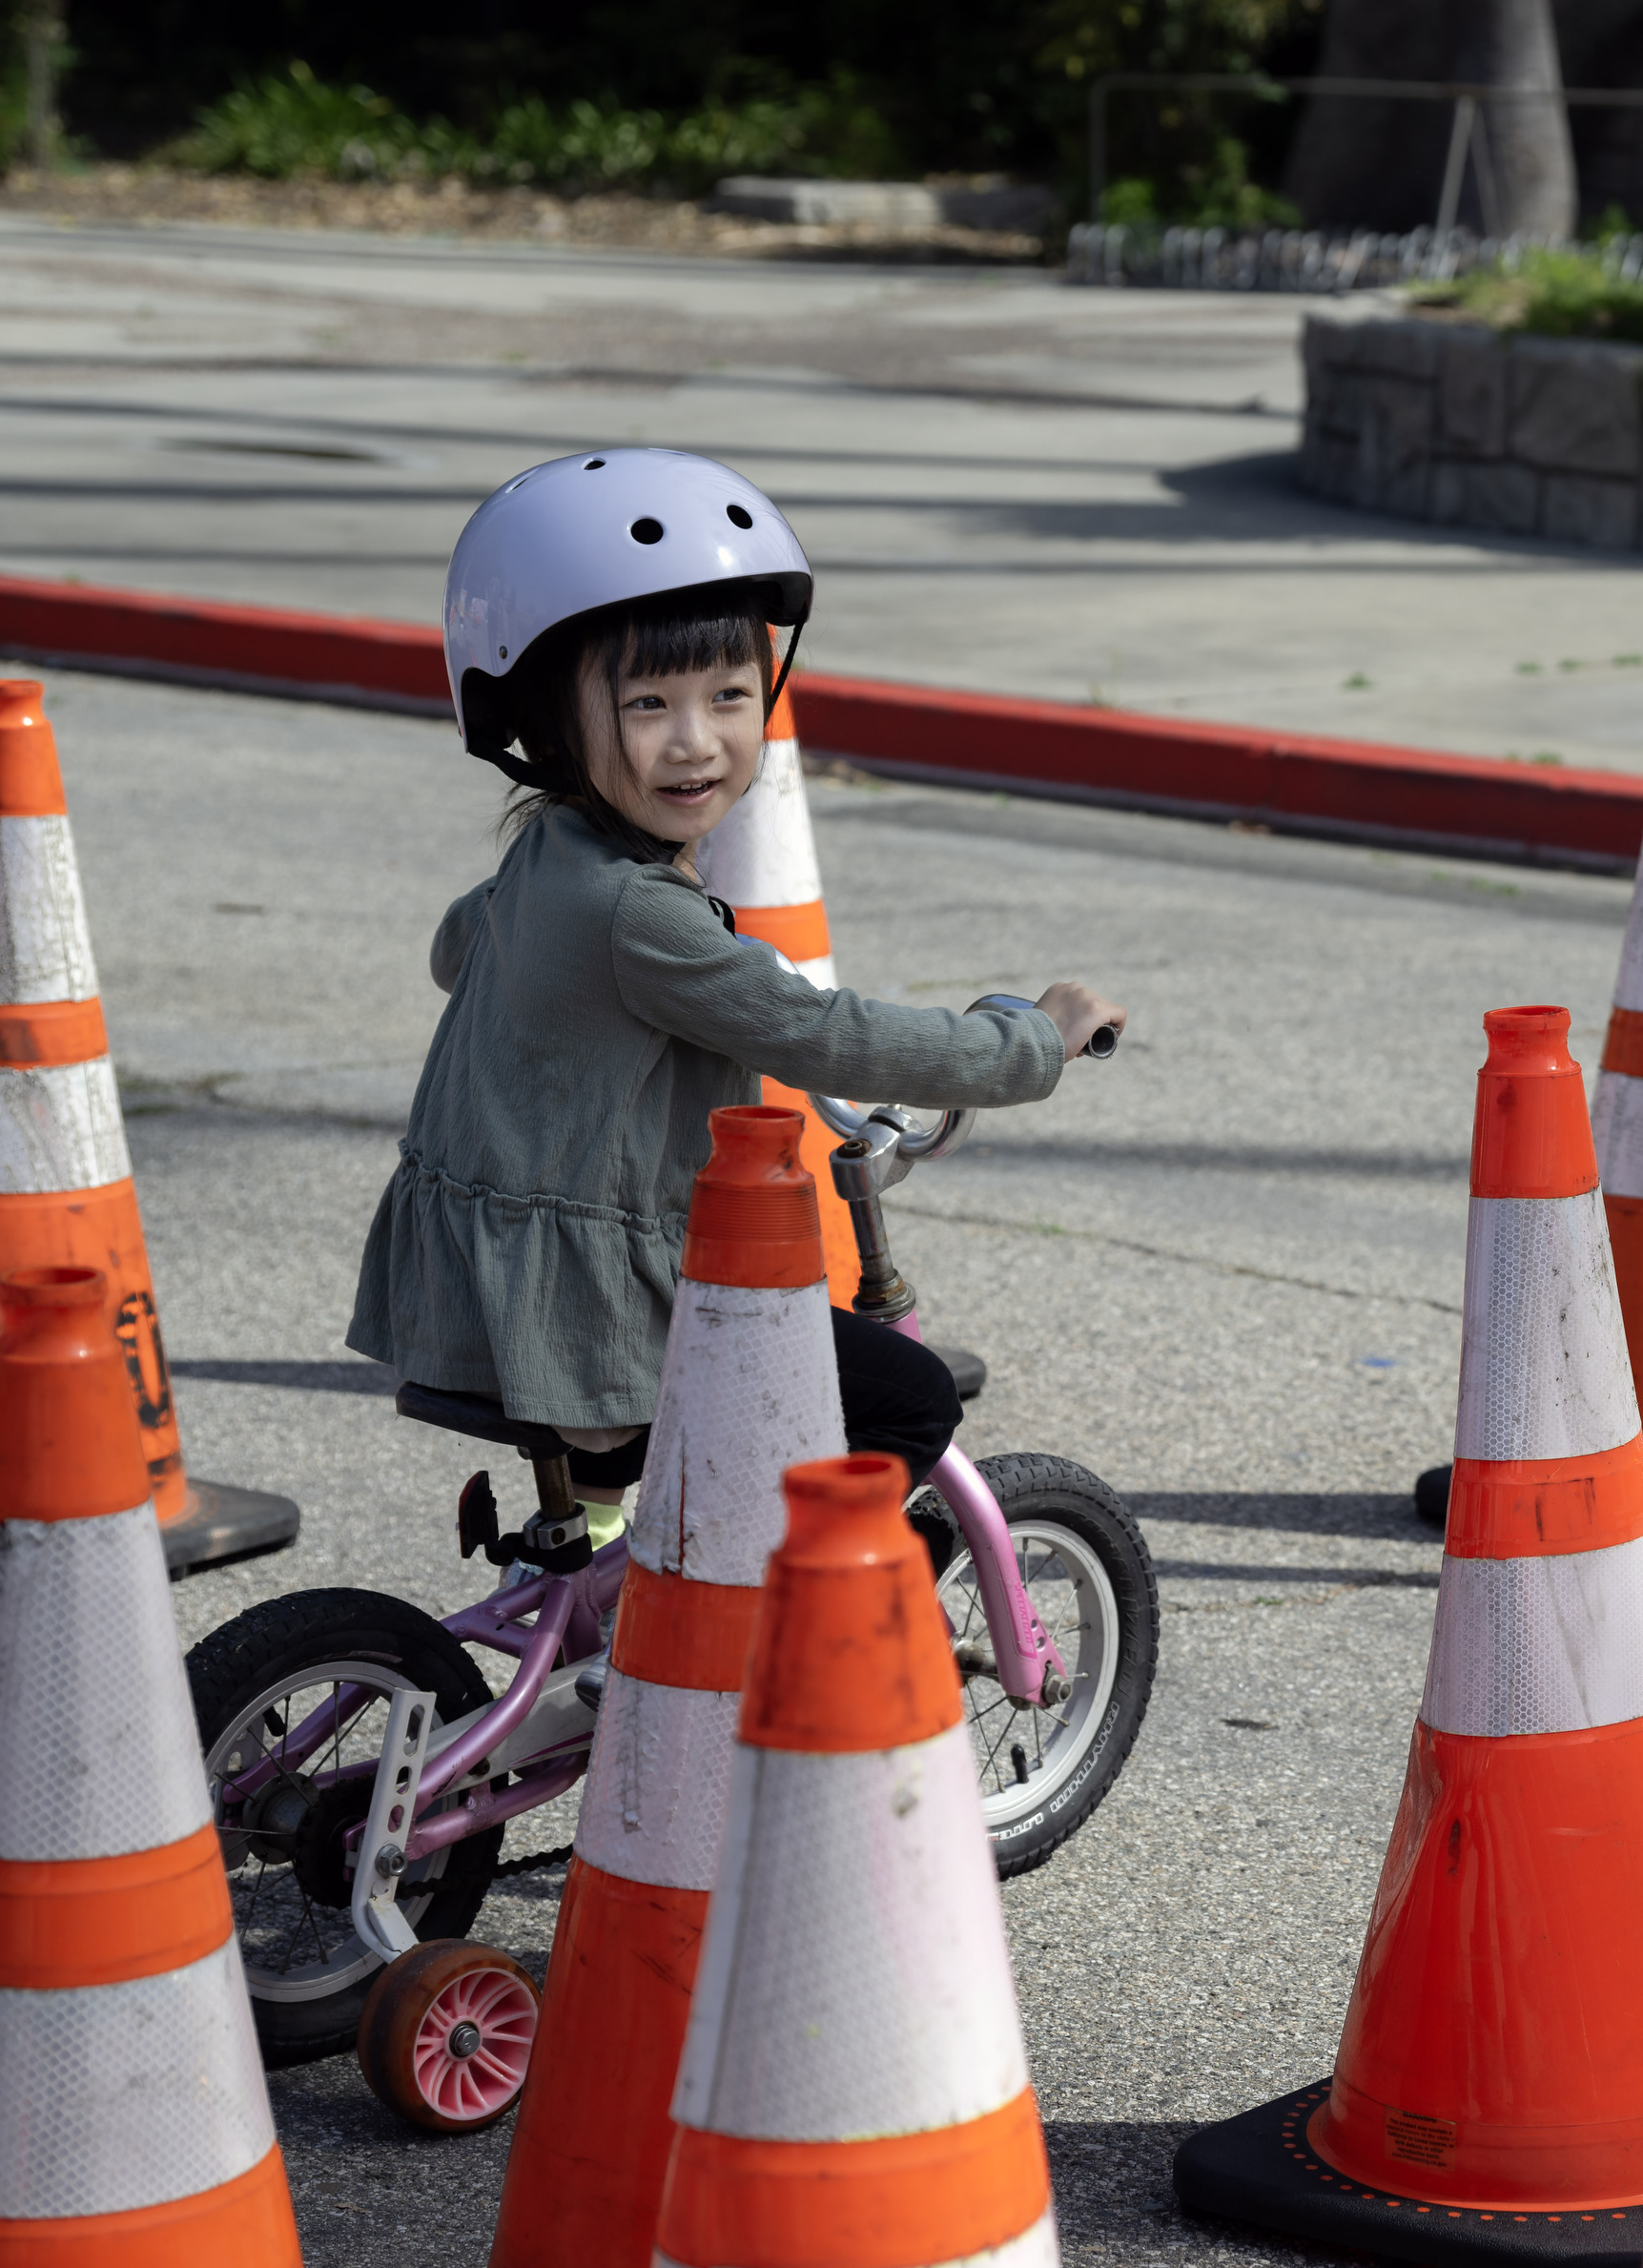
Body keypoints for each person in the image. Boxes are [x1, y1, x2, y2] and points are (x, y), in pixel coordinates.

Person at [349, 447, 1119, 1537]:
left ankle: (613, 1587)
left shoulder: (546, 853)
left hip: (484, 1291)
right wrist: (1029, 1039)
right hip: (597, 1323)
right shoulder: (638, 914)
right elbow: (821, 1035)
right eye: (649, 700)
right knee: (911, 1402)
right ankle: (748, 1637)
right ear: (552, 718)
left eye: (728, 694)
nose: (696, 739)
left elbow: (452, 949)